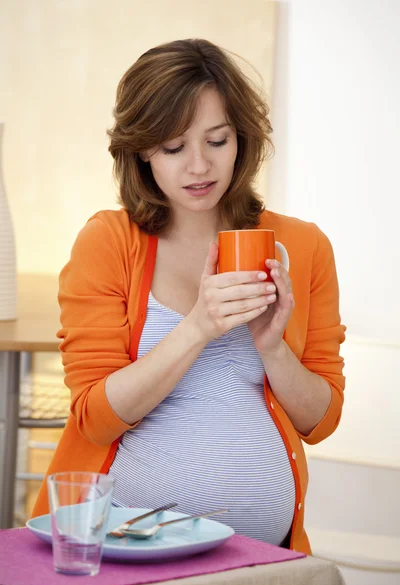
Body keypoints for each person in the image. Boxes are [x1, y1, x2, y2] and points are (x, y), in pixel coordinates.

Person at [32, 38, 345, 554]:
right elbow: (95, 417)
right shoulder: (109, 241)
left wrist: (272, 346)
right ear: (140, 154)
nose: (198, 166)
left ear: (241, 139)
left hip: (261, 561)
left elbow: (320, 421)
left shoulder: (304, 246)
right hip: (123, 556)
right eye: (173, 148)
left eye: (217, 141)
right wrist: (198, 326)